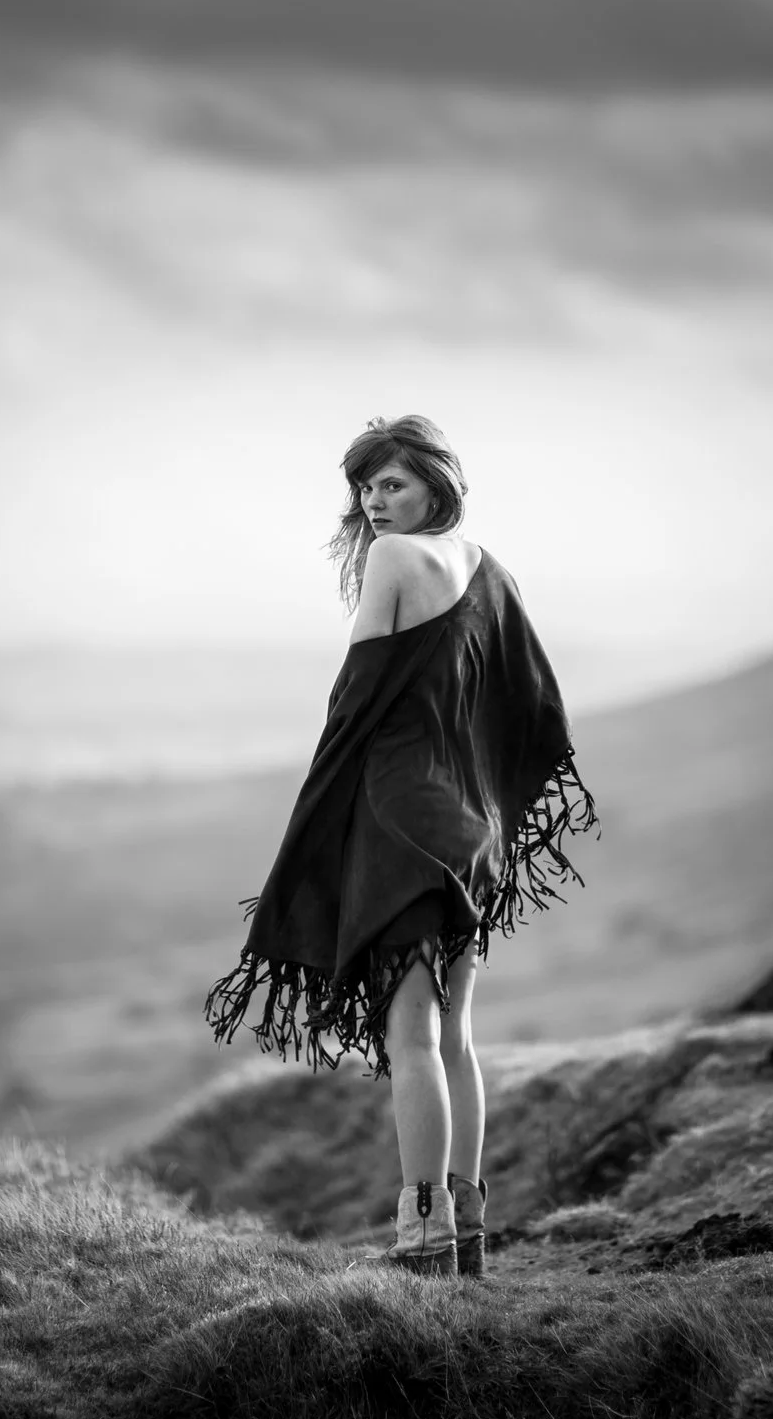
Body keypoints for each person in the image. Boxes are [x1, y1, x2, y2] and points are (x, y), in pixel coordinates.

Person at [204, 415, 598, 1277]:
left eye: (393, 485)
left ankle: (422, 1235)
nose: (375, 504)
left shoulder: (392, 562)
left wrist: (315, 827)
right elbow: (534, 707)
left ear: (434, 484)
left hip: (400, 820)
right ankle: (467, 1226)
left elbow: (354, 700)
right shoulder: (485, 567)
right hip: (466, 827)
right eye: (367, 489)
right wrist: (485, 808)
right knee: (454, 1032)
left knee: (410, 1033)